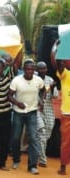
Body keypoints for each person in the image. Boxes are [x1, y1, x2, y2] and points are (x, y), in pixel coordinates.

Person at [8, 59, 45, 175]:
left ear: (34, 70)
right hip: (18, 112)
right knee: (15, 137)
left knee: (33, 138)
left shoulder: (38, 80)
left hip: (32, 112)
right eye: (28, 69)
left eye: (32, 69)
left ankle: (32, 166)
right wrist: (18, 103)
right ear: (24, 69)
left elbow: (43, 90)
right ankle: (16, 159)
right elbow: (9, 95)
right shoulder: (17, 80)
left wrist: (41, 100)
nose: (30, 71)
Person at [50, 40, 70, 175]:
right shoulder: (66, 75)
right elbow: (57, 63)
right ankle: (63, 166)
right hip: (67, 114)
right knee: (66, 143)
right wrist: (57, 47)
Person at [35, 61, 56, 168]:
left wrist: (52, 88)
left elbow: (55, 96)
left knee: (47, 133)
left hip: (48, 110)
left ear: (46, 69)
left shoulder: (50, 80)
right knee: (42, 133)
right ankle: (43, 159)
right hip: (37, 110)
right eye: (40, 69)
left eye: (44, 68)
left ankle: (39, 150)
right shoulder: (33, 79)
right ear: (37, 70)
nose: (42, 71)